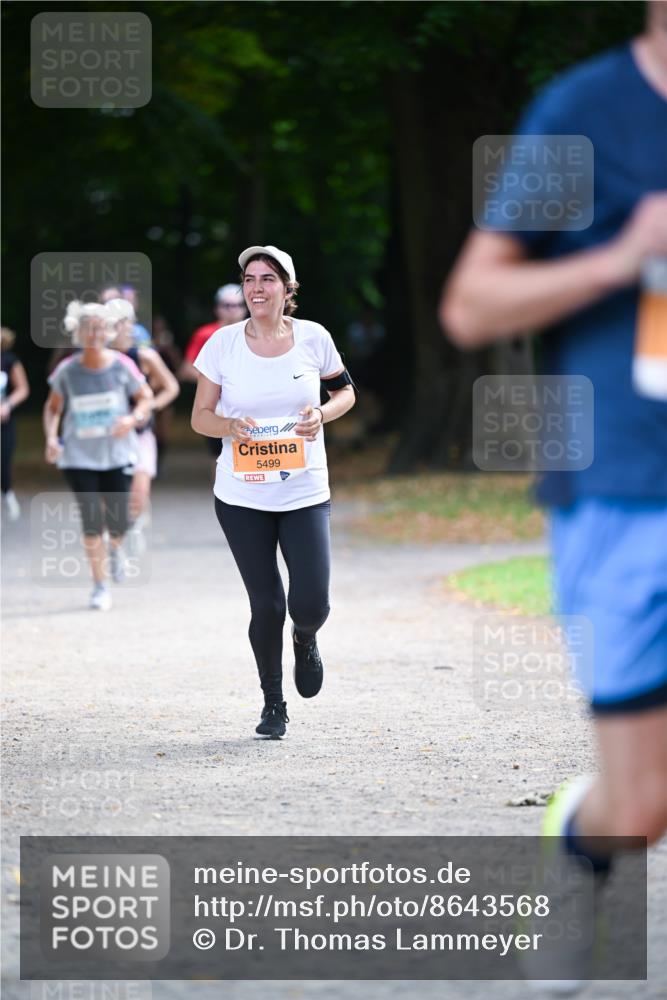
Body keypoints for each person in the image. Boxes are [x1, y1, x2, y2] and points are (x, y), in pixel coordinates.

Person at [440, 1, 667, 988]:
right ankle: (583, 837)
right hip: (625, 485)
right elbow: (469, 305)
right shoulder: (582, 110)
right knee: (641, 805)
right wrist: (621, 256)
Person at [191, 246, 355, 738]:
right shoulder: (222, 345)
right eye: (249, 279)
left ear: (288, 288)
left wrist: (321, 415)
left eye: (267, 279)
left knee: (312, 604)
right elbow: (199, 417)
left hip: (304, 490)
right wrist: (227, 426)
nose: (256, 288)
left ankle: (305, 638)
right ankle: (273, 704)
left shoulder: (313, 338)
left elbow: (345, 391)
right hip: (241, 495)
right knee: (267, 605)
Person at [43, 301, 153, 610]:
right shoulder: (67, 370)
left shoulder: (122, 365)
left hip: (117, 453)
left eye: (100, 326)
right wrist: (52, 437)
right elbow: (53, 409)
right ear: (77, 332)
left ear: (109, 330)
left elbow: (145, 398)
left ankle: (116, 547)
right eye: (88, 327)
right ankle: (100, 585)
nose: (94, 333)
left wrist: (132, 419)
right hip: (79, 455)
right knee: (92, 520)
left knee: (118, 521)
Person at [106, 298, 180, 535]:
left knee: (139, 489)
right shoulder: (96, 357)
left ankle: (133, 525)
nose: (115, 328)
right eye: (109, 323)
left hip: (139, 431)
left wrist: (150, 407)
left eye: (120, 322)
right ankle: (116, 535)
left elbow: (171, 386)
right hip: (107, 434)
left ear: (130, 324)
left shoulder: (144, 356)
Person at [180, 284, 247, 466]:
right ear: (217, 308)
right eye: (227, 305)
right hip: (217, 404)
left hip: (247, 400)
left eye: (238, 305)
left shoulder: (255, 332)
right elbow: (187, 368)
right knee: (218, 453)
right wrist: (216, 383)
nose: (233, 310)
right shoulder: (206, 334)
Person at [1, 326, 30, 521]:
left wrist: (7, 405)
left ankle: (7, 493)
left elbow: (22, 389)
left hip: (3, 422)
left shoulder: (8, 360)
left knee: (3, 460)